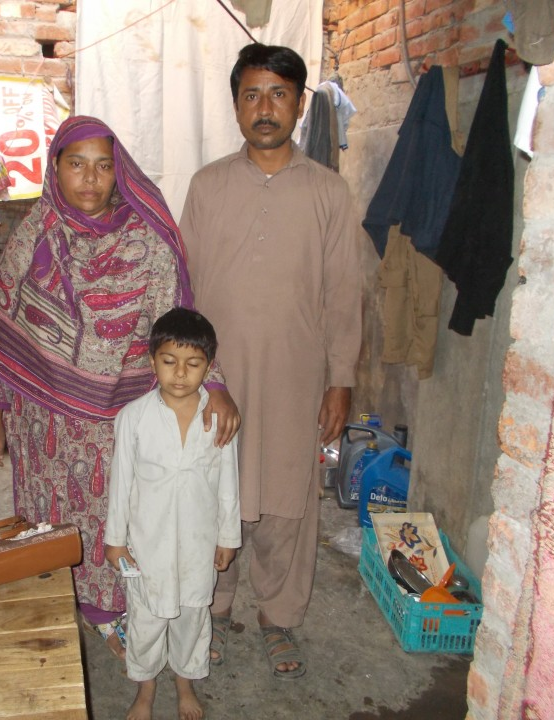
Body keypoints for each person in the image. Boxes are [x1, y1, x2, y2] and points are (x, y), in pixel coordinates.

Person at [0, 116, 241, 661]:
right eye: (76, 164)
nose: (90, 179)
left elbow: (176, 321)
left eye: (102, 165)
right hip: (41, 413)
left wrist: (213, 384)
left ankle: (124, 612)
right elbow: (1, 322)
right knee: (51, 516)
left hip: (120, 416)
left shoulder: (146, 240)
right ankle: (61, 601)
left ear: (119, 172)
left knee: (118, 516)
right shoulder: (36, 233)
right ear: (56, 169)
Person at [179, 43, 362, 680]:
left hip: (295, 375)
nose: (265, 108)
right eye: (252, 95)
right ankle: (215, 607)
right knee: (214, 494)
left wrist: (340, 381)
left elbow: (343, 294)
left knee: (287, 498)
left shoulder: (329, 193)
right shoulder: (206, 187)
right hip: (216, 381)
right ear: (235, 106)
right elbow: (184, 289)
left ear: (298, 104)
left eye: (279, 94)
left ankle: (279, 616)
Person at [105, 308, 241, 720]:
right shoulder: (133, 418)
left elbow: (228, 482)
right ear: (152, 362)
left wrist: (228, 538)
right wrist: (114, 541)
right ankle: (145, 692)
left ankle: (185, 684)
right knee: (145, 621)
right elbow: (121, 481)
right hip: (146, 546)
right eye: (169, 362)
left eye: (193, 364)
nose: (180, 373)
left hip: (199, 543)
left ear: (209, 367)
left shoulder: (219, 419)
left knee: (191, 617)